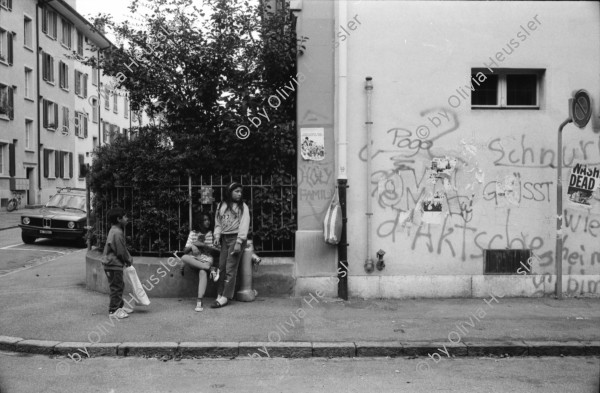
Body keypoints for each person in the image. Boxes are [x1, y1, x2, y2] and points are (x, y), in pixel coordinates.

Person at [211, 182, 250, 308]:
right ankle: (220, 293)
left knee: (230, 268)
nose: (239, 194)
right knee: (221, 267)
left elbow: (244, 225)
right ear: (229, 192)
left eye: (240, 192)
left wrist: (239, 242)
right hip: (224, 238)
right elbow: (218, 223)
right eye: (236, 191)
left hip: (236, 238)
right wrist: (217, 236)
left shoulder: (243, 207)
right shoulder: (221, 205)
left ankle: (225, 297)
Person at [180, 212, 219, 312]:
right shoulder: (193, 233)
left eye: (208, 220)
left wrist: (203, 245)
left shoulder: (212, 234)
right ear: (199, 222)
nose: (207, 222)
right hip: (195, 259)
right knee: (184, 257)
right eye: (204, 220)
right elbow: (184, 251)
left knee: (203, 272)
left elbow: (218, 251)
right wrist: (193, 245)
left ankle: (199, 301)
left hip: (207, 259)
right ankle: (212, 269)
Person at [101, 207, 133, 319]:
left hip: (112, 264)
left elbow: (121, 249)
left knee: (118, 285)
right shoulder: (117, 233)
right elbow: (120, 251)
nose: (127, 218)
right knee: (116, 287)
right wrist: (128, 260)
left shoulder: (114, 230)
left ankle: (120, 307)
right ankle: (113, 310)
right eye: (125, 216)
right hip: (113, 265)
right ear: (119, 219)